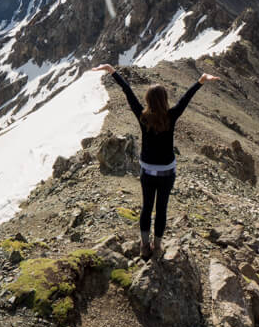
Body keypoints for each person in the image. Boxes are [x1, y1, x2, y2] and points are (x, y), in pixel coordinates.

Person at [91, 63, 219, 260]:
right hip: (167, 172)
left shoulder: (143, 116)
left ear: (148, 100)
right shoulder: (171, 116)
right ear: (165, 100)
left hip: (148, 171)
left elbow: (128, 92)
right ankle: (157, 247)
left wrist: (112, 71)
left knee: (147, 207)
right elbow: (186, 99)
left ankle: (144, 245)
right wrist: (200, 81)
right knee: (162, 209)